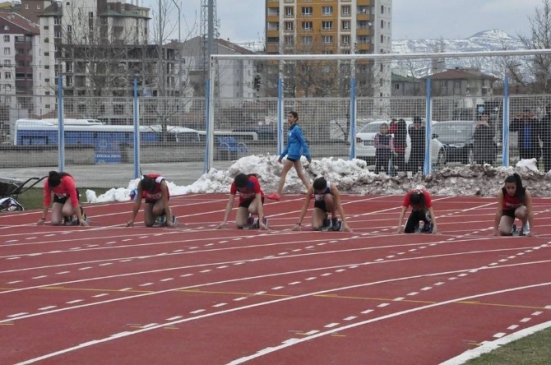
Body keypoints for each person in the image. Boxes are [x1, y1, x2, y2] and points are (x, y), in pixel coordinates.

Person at [267, 111, 312, 201]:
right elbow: (288, 145)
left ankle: (277, 194)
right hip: (293, 153)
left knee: (283, 172)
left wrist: (307, 154)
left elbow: (303, 142)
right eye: (288, 116)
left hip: (293, 154)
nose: (289, 118)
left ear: (295, 118)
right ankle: (311, 191)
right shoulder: (290, 130)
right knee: (300, 174)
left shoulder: (296, 129)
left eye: (291, 116)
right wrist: (282, 156)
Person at [538, 104, 551, 172]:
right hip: (547, 144)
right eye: (549, 109)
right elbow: (540, 131)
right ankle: (547, 173)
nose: (550, 111)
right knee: (547, 160)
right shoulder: (544, 119)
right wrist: (544, 139)